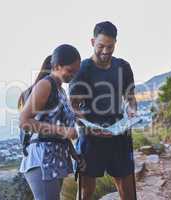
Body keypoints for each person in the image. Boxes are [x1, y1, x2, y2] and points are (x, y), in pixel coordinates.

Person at [69, 21, 138, 200]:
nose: (106, 51)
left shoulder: (123, 66)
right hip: (91, 138)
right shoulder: (82, 69)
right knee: (85, 193)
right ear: (92, 42)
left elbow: (130, 99)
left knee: (129, 193)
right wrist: (86, 125)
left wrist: (131, 112)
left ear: (116, 43)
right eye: (101, 46)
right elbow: (73, 108)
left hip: (119, 135)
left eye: (110, 46)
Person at [19, 44, 83, 200]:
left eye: (76, 71)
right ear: (57, 66)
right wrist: (63, 131)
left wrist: (74, 154)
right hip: (42, 159)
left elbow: (60, 128)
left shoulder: (60, 90)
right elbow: (24, 121)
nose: (73, 75)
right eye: (70, 71)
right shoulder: (45, 85)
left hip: (55, 159)